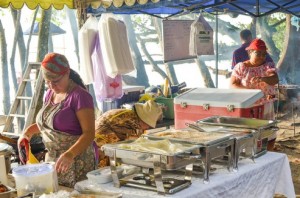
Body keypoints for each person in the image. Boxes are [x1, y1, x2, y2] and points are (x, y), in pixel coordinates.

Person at [18, 53, 96, 187]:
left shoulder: (80, 96)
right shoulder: (49, 94)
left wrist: (70, 154)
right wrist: (26, 133)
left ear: (67, 73)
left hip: (77, 161)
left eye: (55, 81)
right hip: (53, 161)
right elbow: (47, 123)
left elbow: (89, 133)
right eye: (47, 82)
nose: (51, 86)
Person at [230, 38, 279, 150]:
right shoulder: (241, 67)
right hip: (248, 106)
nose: (262, 57)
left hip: (266, 105)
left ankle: (268, 154)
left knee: (269, 134)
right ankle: (250, 156)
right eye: (258, 53)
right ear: (250, 52)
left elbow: (275, 79)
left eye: (264, 54)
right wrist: (251, 92)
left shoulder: (268, 65)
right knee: (249, 134)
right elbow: (233, 84)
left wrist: (263, 79)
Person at [95, 100, 163, 167]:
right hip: (101, 140)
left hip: (107, 138)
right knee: (104, 168)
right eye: (148, 124)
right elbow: (131, 144)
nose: (148, 127)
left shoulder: (134, 118)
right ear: (143, 119)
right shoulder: (129, 120)